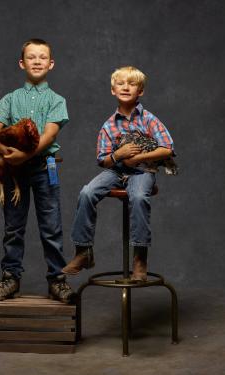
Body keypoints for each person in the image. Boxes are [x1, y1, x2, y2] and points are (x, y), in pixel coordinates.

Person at [0, 39, 75, 303]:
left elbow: (49, 134)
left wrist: (26, 154)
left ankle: (57, 280)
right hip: (15, 171)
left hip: (44, 166)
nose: (37, 61)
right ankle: (10, 278)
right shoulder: (10, 99)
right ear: (22, 63)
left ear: (51, 63)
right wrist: (6, 153)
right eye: (31, 57)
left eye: (42, 57)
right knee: (13, 226)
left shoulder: (57, 100)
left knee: (51, 225)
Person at [63, 66, 175, 281]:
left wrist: (138, 158)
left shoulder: (149, 119)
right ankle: (83, 251)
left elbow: (168, 148)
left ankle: (140, 259)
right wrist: (119, 155)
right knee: (87, 192)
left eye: (132, 84)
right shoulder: (108, 126)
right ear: (113, 90)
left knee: (139, 197)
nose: (126, 87)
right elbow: (102, 160)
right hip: (117, 170)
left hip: (143, 171)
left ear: (140, 91)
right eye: (121, 83)